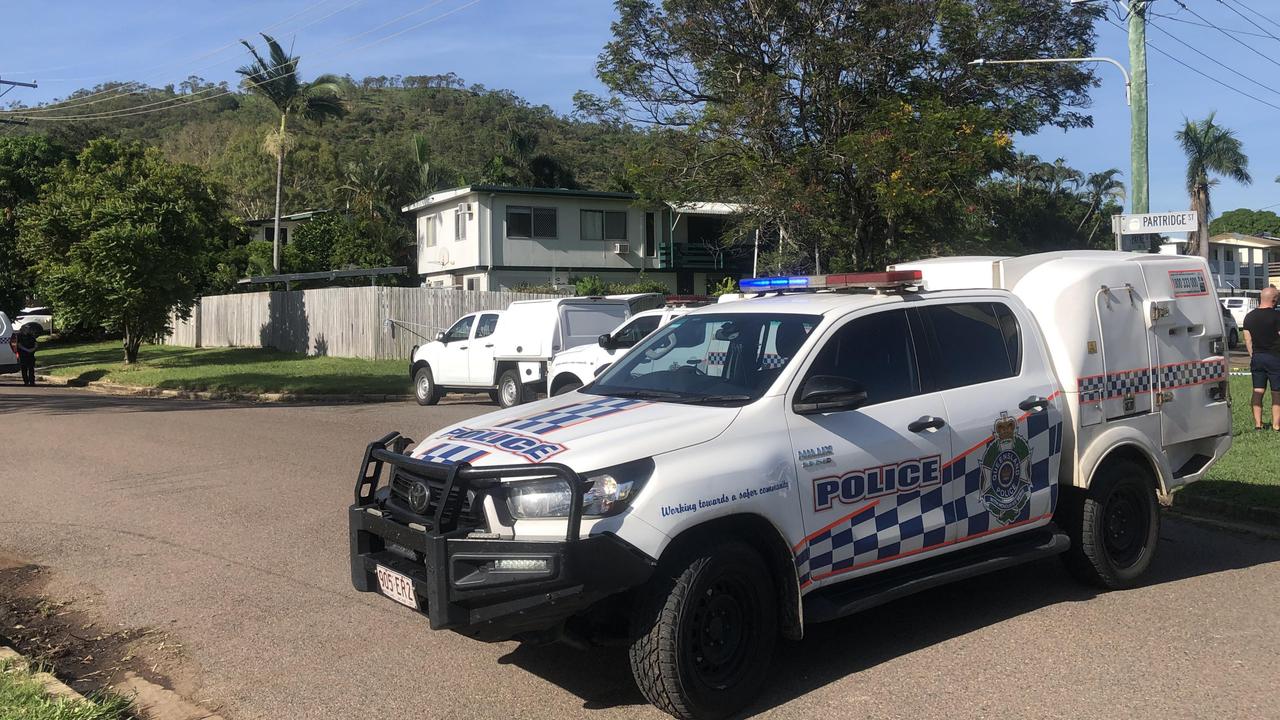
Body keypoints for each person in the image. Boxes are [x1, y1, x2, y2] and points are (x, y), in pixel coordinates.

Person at [1242, 286, 1280, 430]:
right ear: (1274, 300)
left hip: (1257, 357)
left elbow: (1247, 340)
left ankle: (1258, 424)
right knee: (1276, 392)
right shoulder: (1277, 316)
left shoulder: (1249, 317)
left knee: (1258, 390)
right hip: (1275, 358)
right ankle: (1276, 425)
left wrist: (1254, 355)